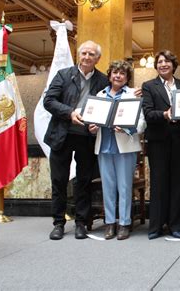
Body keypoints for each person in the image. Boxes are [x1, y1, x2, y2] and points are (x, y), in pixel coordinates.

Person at [44, 40, 108, 240]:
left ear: (98, 58)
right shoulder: (63, 75)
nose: (87, 57)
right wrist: (69, 113)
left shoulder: (103, 80)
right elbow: (49, 101)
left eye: (92, 54)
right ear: (78, 55)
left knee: (83, 182)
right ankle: (59, 223)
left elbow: (107, 107)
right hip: (61, 135)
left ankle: (81, 222)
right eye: (84, 53)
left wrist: (98, 122)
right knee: (59, 181)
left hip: (87, 138)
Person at [88, 60, 146, 240]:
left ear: (127, 77)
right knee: (108, 187)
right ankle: (110, 223)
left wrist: (128, 128)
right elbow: (93, 118)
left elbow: (142, 122)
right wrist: (92, 128)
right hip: (104, 146)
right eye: (115, 72)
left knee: (124, 186)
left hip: (125, 147)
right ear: (110, 75)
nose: (118, 76)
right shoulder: (100, 94)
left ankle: (124, 224)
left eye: (122, 73)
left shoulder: (133, 94)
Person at [141, 50, 180, 239]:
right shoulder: (149, 86)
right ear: (156, 66)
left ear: (173, 65)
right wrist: (164, 114)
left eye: (167, 61)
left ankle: (177, 226)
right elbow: (148, 113)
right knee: (158, 183)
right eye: (160, 62)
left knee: (178, 183)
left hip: (179, 139)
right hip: (158, 141)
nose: (163, 64)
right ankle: (156, 226)